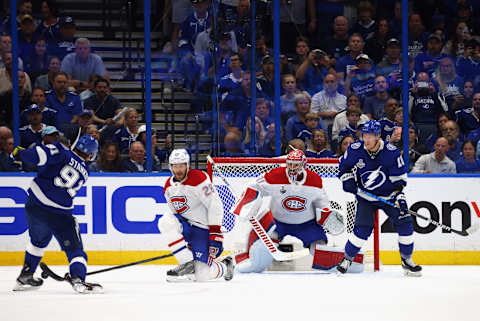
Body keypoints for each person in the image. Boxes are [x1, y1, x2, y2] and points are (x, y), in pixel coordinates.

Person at [13, 135, 102, 293]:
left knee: (38, 241)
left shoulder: (62, 151)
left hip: (35, 205)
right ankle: (77, 278)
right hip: (60, 213)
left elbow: (38, 156)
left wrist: (19, 153)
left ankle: (26, 275)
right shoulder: (86, 171)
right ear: (90, 155)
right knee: (75, 249)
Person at [232, 149, 344, 273]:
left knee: (319, 247)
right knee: (262, 248)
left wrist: (326, 215)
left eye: (295, 164)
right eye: (289, 163)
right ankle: (251, 262)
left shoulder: (314, 180)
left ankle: (339, 264)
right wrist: (248, 203)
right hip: (278, 222)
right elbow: (254, 186)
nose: (292, 167)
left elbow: (322, 203)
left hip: (306, 224)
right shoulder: (275, 175)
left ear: (304, 164)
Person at [336, 121, 422, 276]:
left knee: (405, 224)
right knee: (361, 230)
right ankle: (347, 259)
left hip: (389, 196)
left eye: (370, 136)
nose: (366, 139)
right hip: (366, 197)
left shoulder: (391, 152)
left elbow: (400, 179)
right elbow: (343, 166)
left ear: (378, 136)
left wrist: (399, 197)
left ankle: (406, 260)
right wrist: (348, 180)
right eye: (364, 135)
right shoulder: (355, 149)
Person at [160, 148, 234, 282]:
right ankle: (187, 263)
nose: (179, 170)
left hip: (203, 229)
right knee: (165, 221)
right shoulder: (168, 187)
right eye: (175, 166)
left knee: (202, 276)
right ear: (170, 167)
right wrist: (184, 227)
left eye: (182, 165)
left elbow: (214, 205)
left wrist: (215, 233)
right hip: (187, 228)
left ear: (187, 166)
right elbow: (174, 213)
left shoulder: (198, 178)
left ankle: (225, 265)